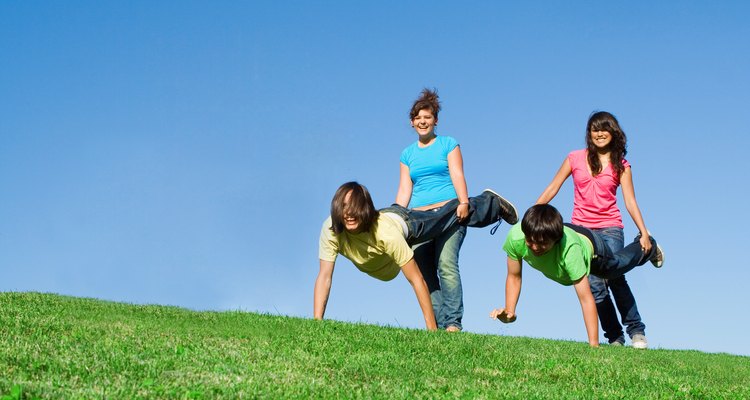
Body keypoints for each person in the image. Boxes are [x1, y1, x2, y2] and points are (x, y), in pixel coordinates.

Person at [316, 181, 517, 331]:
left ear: (364, 209)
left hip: (408, 225)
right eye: (343, 207)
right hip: (388, 218)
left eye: (354, 208)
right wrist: (317, 323)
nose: (348, 214)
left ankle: (491, 203)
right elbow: (325, 277)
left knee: (448, 215)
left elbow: (416, 279)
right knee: (441, 226)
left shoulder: (385, 233)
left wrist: (431, 331)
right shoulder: (331, 229)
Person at [536, 111, 660, 348]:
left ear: (613, 133)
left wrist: (643, 231)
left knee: (613, 276)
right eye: (594, 129)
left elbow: (630, 201)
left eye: (604, 129)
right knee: (593, 284)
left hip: (610, 228)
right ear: (589, 134)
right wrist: (535, 212)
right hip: (581, 229)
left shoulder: (622, 166)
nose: (599, 134)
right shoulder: (574, 158)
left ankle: (636, 330)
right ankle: (614, 336)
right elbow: (554, 186)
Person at [489, 204, 663, 347]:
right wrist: (510, 311)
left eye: (542, 244)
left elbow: (586, 299)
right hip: (567, 233)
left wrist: (593, 346)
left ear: (555, 241)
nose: (534, 247)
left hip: (592, 248)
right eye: (530, 241)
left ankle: (647, 246)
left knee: (614, 268)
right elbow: (514, 276)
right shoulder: (516, 237)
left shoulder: (570, 251)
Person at [395, 88, 479, 332]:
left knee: (446, 264)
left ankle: (453, 322)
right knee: (422, 269)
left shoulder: (448, 144)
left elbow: (457, 173)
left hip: (449, 213)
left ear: (435, 121)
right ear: (412, 123)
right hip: (420, 219)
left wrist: (463, 202)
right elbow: (404, 189)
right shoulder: (407, 154)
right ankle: (439, 325)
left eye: (427, 117)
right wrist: (397, 217)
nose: (423, 121)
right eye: (418, 118)